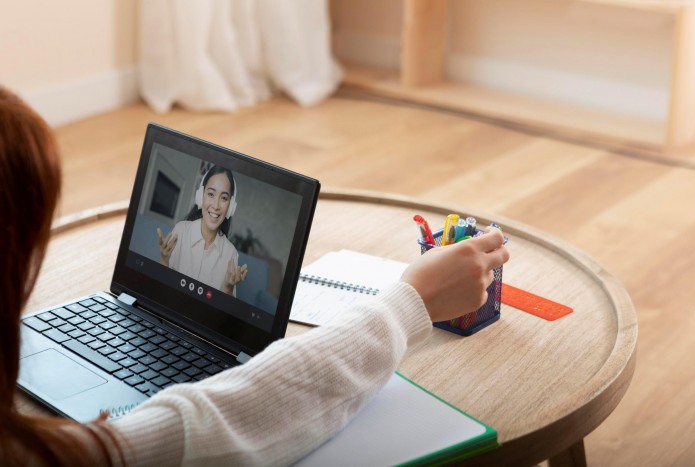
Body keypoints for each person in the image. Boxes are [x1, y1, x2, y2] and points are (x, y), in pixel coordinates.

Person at [0, 86, 510, 466]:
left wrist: (224, 288)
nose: (217, 203)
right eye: (211, 194)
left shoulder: (226, 254)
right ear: (201, 197)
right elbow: (218, 425)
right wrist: (411, 300)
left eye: (226, 196)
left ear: (230, 204)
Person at [156, 166, 248, 297]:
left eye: (224, 198)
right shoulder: (180, 231)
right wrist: (164, 260)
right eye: (211, 194)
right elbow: (160, 290)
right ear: (200, 196)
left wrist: (227, 287)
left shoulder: (230, 254)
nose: (216, 206)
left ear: (230, 207)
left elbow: (221, 314)